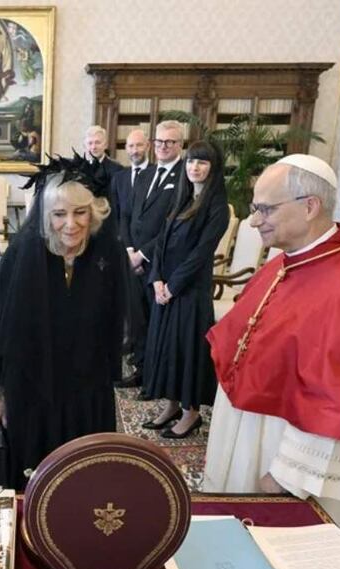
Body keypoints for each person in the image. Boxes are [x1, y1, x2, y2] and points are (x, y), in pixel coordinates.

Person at [203, 154, 340, 552]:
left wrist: (289, 477)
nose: (254, 221)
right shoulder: (284, 263)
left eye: (266, 209)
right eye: (255, 208)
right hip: (255, 433)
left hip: (293, 463)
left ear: (310, 207)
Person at [0, 155, 127, 491]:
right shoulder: (22, 253)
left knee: (83, 481)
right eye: (59, 214)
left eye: (80, 212)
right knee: (33, 478)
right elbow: (5, 334)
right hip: (31, 387)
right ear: (46, 215)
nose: (71, 224)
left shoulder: (108, 254)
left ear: (94, 212)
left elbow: (113, 328)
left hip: (86, 388)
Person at [141, 141, 229, 437]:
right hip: (164, 289)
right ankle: (172, 406)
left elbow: (201, 254)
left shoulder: (217, 207)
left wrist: (173, 286)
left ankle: (191, 414)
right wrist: (156, 279)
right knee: (166, 350)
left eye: (202, 162)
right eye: (191, 161)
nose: (194, 167)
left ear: (213, 168)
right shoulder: (182, 197)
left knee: (186, 353)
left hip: (189, 292)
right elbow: (161, 242)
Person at [118, 120, 185, 390]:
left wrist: (142, 254)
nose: (163, 146)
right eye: (159, 141)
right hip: (134, 259)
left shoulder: (184, 177)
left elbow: (174, 225)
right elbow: (129, 215)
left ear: (180, 145)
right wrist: (129, 250)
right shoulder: (146, 174)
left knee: (155, 323)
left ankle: (153, 377)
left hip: (161, 264)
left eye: (169, 142)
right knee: (138, 318)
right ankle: (141, 369)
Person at [108, 128, 151, 243]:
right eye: (131, 146)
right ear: (126, 148)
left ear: (148, 146)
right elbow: (115, 213)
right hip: (123, 243)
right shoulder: (118, 178)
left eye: (139, 145)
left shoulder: (157, 174)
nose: (135, 151)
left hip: (148, 244)